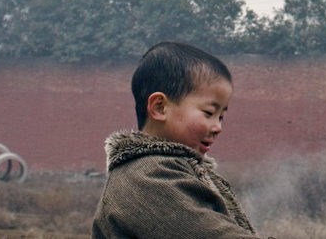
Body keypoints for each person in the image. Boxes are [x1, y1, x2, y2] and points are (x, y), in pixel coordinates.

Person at [92, 41, 263, 238]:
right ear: (159, 107)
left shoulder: (178, 170)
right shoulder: (146, 179)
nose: (218, 128)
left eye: (221, 117)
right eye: (209, 113)